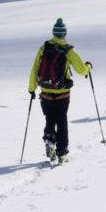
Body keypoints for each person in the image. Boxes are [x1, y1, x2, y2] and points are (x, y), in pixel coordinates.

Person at [27, 18, 92, 164]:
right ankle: (62, 153)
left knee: (49, 118)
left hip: (45, 91)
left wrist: (32, 88)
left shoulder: (44, 48)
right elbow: (81, 69)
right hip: (62, 93)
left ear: (54, 33)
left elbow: (35, 69)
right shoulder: (68, 50)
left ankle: (49, 140)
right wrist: (88, 67)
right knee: (61, 120)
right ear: (64, 34)